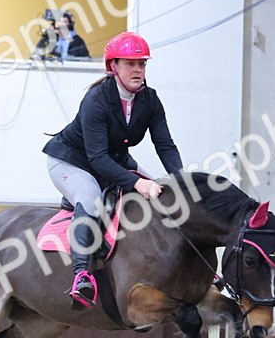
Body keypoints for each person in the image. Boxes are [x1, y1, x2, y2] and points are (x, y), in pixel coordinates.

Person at [42, 31, 183, 308]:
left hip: (113, 160)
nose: (138, 69)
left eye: (142, 63)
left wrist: (182, 180)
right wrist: (137, 183)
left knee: (161, 191)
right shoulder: (96, 99)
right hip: (72, 161)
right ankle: (82, 276)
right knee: (92, 198)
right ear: (113, 66)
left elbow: (165, 144)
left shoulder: (150, 100)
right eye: (130, 63)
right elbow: (97, 159)